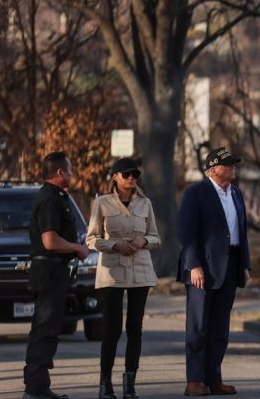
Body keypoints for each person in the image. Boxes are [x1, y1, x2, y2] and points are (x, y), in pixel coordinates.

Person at [178, 147, 251, 396]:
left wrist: (244, 265)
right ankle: (195, 381)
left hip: (230, 265)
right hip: (203, 267)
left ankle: (214, 378)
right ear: (212, 169)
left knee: (220, 327)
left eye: (233, 164)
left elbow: (242, 231)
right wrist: (193, 265)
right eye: (227, 164)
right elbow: (187, 233)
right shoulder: (195, 193)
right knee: (198, 326)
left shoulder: (237, 194)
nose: (233, 167)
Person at [86, 158, 160, 399]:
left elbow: (156, 237)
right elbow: (91, 239)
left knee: (135, 328)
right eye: (126, 174)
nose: (131, 178)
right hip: (112, 271)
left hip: (140, 270)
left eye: (135, 174)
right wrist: (115, 245)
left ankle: (130, 384)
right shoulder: (102, 203)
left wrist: (143, 241)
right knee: (112, 329)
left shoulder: (145, 203)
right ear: (115, 177)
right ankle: (104, 384)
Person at [23, 152, 90, 399]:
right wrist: (77, 248)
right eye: (70, 169)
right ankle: (36, 389)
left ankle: (38, 386)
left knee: (47, 330)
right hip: (49, 271)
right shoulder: (49, 199)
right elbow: (50, 241)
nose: (72, 174)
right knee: (45, 330)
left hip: (54, 272)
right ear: (60, 172)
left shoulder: (57, 197)